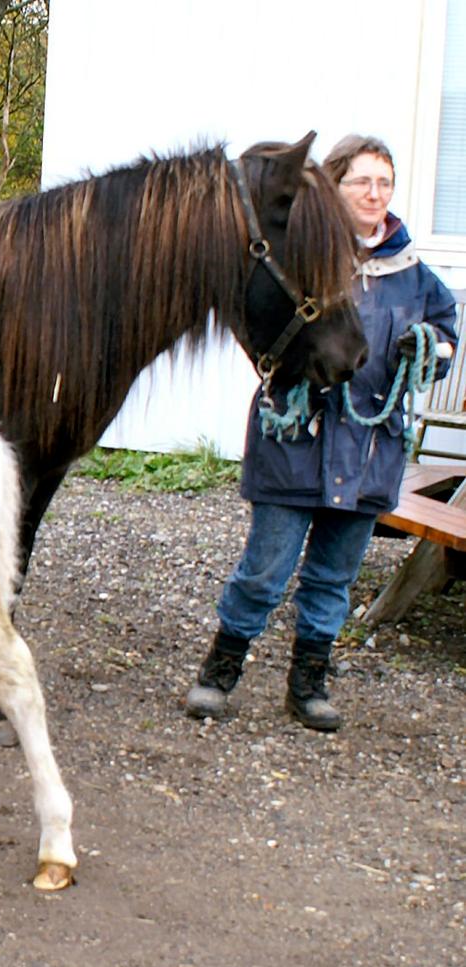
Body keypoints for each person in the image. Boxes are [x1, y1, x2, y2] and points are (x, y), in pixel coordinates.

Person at [185, 134, 459, 731]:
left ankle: (308, 684)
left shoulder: (414, 276)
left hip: (370, 452)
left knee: (333, 579)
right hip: (296, 443)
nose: (375, 194)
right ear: (334, 186)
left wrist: (431, 347)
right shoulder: (305, 259)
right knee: (264, 572)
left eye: (384, 182)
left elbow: (445, 332)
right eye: (362, 181)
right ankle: (220, 671)